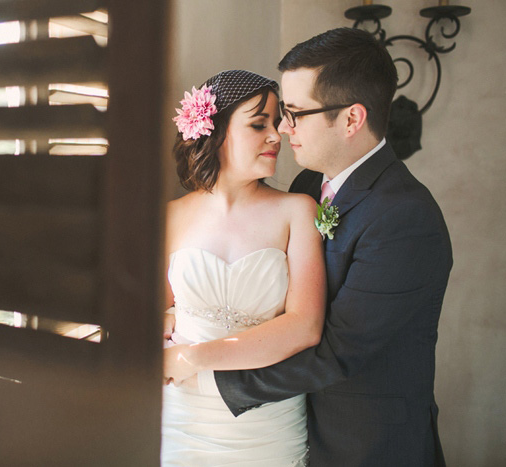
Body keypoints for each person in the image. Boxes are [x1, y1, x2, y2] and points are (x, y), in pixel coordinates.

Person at [194, 28, 452, 466]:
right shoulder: (308, 185)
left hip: (368, 446)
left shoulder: (407, 219)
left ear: (351, 119)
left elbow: (338, 350)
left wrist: (207, 380)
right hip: (291, 431)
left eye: (294, 113)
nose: (281, 129)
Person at [161, 69, 326, 466]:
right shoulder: (172, 216)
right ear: (215, 131)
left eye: (277, 122)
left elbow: (305, 326)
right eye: (259, 124)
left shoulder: (298, 212)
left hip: (266, 423)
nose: (277, 135)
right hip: (182, 418)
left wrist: (194, 357)